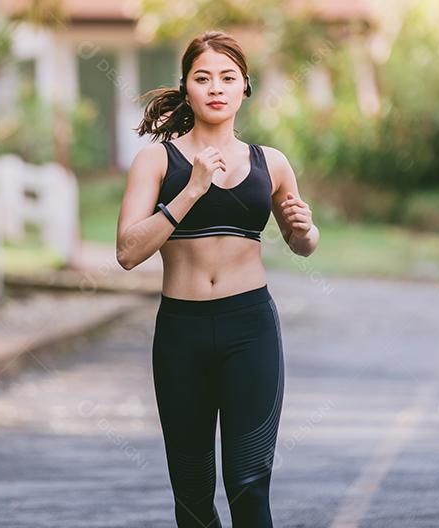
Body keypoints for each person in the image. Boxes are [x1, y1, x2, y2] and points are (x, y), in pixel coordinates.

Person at [116, 30, 319, 527]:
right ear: (186, 86)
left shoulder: (270, 163)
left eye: (228, 78)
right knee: (191, 493)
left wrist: (304, 228)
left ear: (244, 87)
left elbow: (303, 244)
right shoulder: (157, 160)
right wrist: (191, 190)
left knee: (249, 484)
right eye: (202, 77)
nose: (216, 88)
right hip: (181, 332)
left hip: (249, 328)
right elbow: (127, 251)